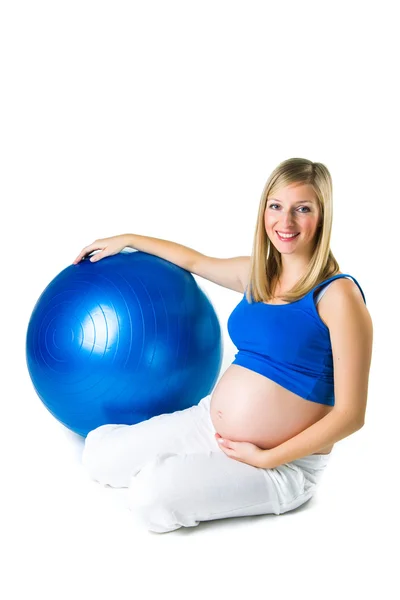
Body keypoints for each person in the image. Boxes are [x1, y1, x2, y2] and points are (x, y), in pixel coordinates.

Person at [74, 157, 373, 533]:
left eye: (303, 209)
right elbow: (193, 260)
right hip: (208, 423)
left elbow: (351, 415)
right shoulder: (259, 275)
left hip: (281, 464)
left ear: (323, 216)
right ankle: (183, 466)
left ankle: (178, 475)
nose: (286, 222)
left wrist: (267, 458)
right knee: (98, 457)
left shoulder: (338, 295)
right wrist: (129, 239)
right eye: (276, 206)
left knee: (150, 497)